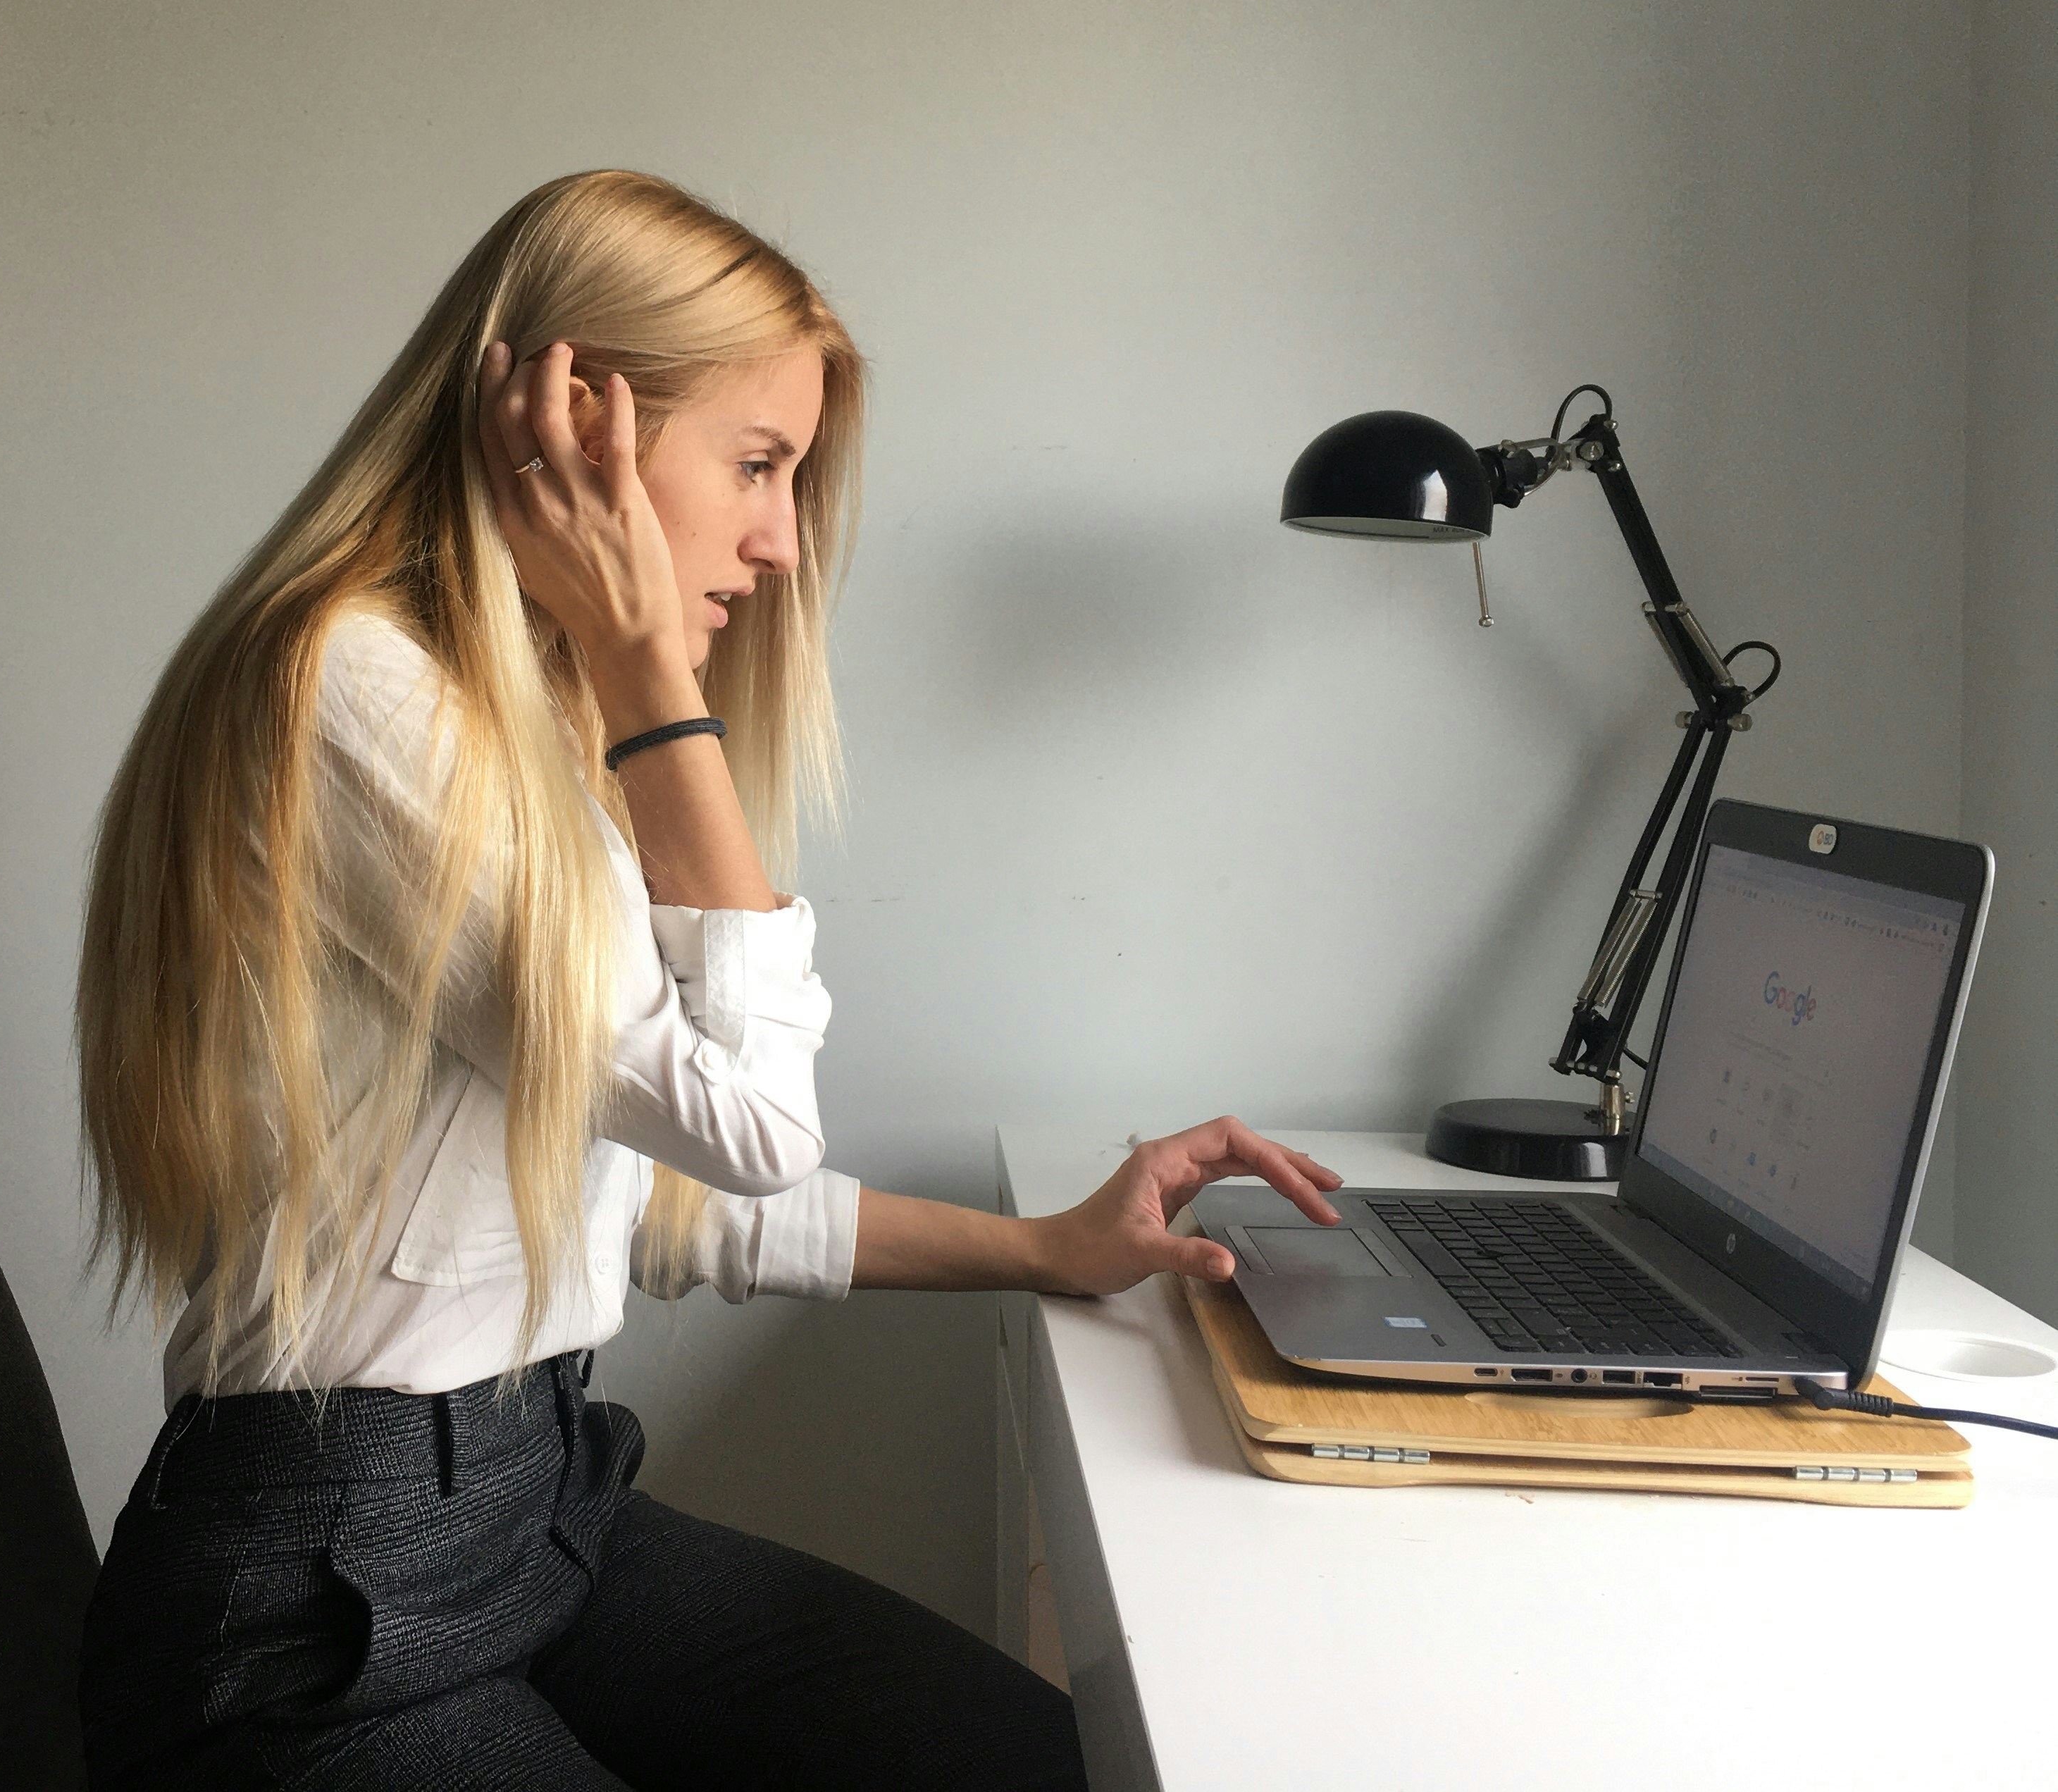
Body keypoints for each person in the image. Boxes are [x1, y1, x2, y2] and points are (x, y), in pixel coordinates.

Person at [75, 169, 1345, 1790]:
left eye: (794, 477)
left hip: (544, 1507)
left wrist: (1046, 1248)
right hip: (323, 1605)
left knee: (1035, 1764)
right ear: (567, 432)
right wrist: (645, 677)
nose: (779, 537)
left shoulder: (520, 723)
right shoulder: (349, 691)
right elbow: (750, 1125)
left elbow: (673, 1193)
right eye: (754, 465)